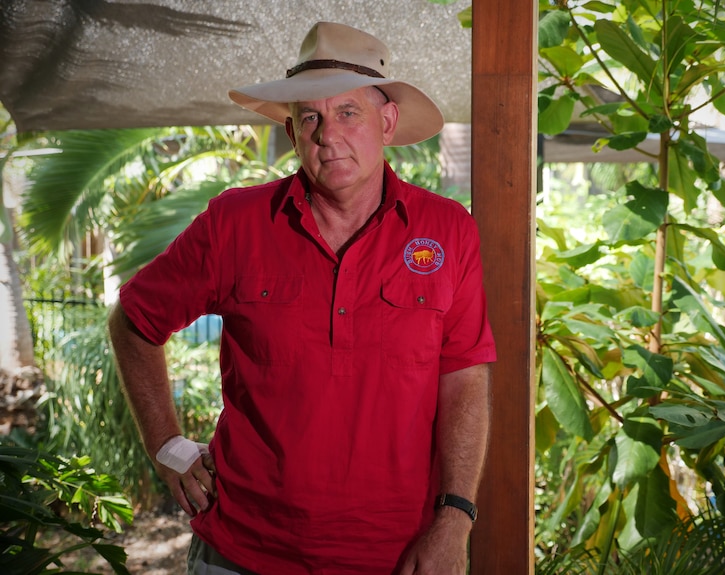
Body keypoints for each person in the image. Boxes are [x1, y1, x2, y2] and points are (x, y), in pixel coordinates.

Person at [108, 21, 496, 575]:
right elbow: (134, 321)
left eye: (347, 113)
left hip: (395, 556)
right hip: (242, 551)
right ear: (291, 133)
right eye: (309, 117)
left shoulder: (448, 229)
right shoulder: (234, 223)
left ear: (386, 121)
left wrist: (455, 517)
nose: (327, 135)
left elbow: (464, 375)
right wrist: (167, 444)